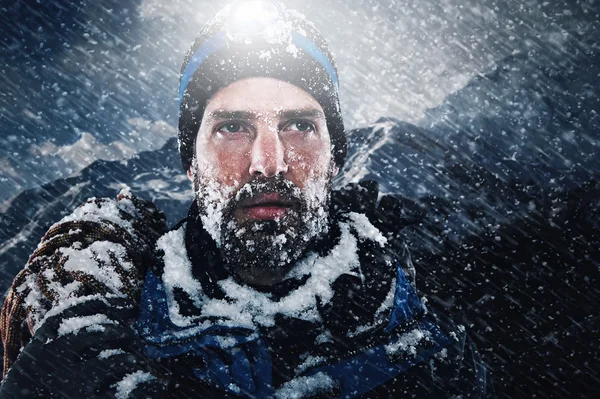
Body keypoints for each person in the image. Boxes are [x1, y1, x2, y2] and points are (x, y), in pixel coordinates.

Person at [0, 1, 491, 397]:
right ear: (191, 164)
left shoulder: (421, 326)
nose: (269, 161)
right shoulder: (116, 318)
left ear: (335, 158)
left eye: (299, 126)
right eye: (233, 127)